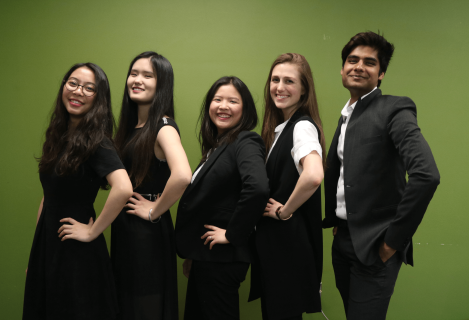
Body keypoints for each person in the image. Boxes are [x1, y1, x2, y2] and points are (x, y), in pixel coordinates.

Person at [322, 31, 440, 320]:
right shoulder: (346, 116)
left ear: (381, 74)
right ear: (342, 69)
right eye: (352, 60)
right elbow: (343, 174)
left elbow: (426, 175)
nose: (359, 66)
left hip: (377, 247)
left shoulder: (395, 109)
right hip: (343, 241)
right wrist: (338, 219)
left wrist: (392, 242)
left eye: (369, 62)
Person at [23, 63, 133, 320]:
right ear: (64, 86)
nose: (78, 91)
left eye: (88, 88)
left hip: (76, 254)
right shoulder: (59, 136)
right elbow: (48, 197)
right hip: (49, 246)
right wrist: (37, 255)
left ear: (99, 98)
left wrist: (93, 231)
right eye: (73, 83)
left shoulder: (98, 141)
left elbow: (124, 188)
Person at [175, 76, 269, 320]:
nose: (223, 106)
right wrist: (195, 254)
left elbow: (257, 188)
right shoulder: (216, 146)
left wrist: (231, 234)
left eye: (232, 101)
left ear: (245, 109)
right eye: (217, 99)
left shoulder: (245, 140)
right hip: (206, 257)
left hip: (223, 260)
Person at [111, 51, 191, 320]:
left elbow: (182, 175)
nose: (137, 80)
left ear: (162, 84)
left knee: (144, 306)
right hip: (125, 228)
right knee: (126, 303)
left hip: (145, 233)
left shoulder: (163, 125)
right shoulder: (131, 128)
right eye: (133, 73)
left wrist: (153, 210)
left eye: (148, 75)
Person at [249, 53, 326, 320]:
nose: (279, 87)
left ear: (304, 90)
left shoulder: (301, 127)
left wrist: (285, 211)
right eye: (275, 79)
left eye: (289, 81)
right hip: (278, 249)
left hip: (288, 250)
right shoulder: (281, 129)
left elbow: (314, 175)